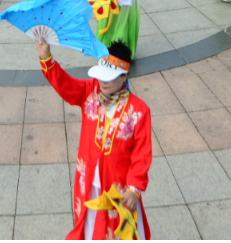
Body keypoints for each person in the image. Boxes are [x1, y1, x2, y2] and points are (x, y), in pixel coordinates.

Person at [34, 37, 152, 240]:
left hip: (119, 189)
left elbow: (142, 154)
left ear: (124, 76)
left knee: (118, 232)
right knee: (88, 230)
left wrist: (134, 189)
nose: (103, 82)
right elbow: (65, 85)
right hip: (87, 182)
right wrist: (46, 58)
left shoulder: (139, 111)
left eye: (109, 77)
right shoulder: (90, 92)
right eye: (101, 75)